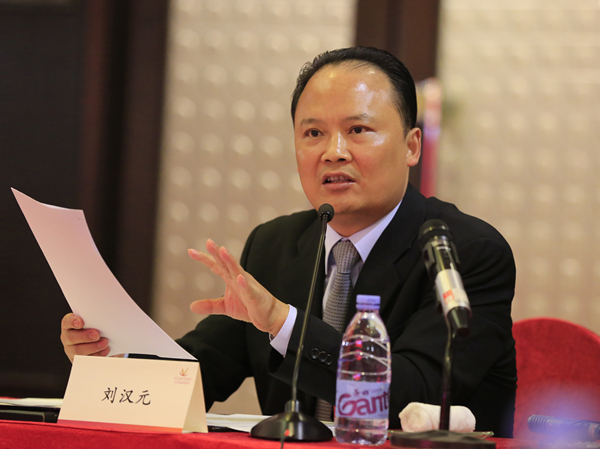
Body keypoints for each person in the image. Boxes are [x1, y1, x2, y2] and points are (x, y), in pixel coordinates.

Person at [61, 47, 517, 436]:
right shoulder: (275, 244)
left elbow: (407, 397)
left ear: (412, 146)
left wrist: (282, 321)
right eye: (313, 133)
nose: (333, 152)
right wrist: (112, 355)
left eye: (358, 130)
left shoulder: (464, 253)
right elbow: (195, 374)